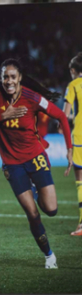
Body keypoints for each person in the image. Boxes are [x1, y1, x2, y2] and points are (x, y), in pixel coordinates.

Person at [0, 59, 73, 268]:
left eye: (12, 77)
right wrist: (4, 116)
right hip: (12, 164)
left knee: (51, 209)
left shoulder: (32, 97)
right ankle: (49, 256)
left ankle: (35, 190)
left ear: (19, 78)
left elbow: (62, 117)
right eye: (5, 77)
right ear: (1, 79)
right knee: (32, 213)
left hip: (35, 156)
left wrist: (70, 149)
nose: (8, 81)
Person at [64, 53, 82, 236]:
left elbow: (64, 116)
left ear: (73, 71)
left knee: (80, 182)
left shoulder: (73, 85)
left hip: (80, 138)